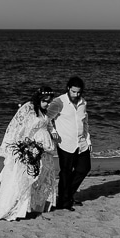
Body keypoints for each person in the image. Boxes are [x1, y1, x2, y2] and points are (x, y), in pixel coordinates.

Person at [0, 86, 59, 222]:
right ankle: (19, 208)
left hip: (44, 150)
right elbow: (20, 128)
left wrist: (53, 132)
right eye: (45, 101)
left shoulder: (44, 112)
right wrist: (26, 148)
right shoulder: (28, 109)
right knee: (27, 178)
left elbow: (48, 124)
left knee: (39, 178)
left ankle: (32, 207)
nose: (47, 103)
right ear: (38, 99)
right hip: (32, 148)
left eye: (49, 101)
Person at [48, 76, 90, 211]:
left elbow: (85, 122)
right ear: (68, 89)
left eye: (78, 92)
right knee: (65, 173)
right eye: (73, 92)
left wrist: (88, 139)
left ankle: (67, 195)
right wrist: (53, 131)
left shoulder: (83, 102)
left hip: (82, 143)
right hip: (65, 143)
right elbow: (46, 118)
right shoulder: (59, 102)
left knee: (84, 169)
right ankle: (64, 202)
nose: (76, 95)